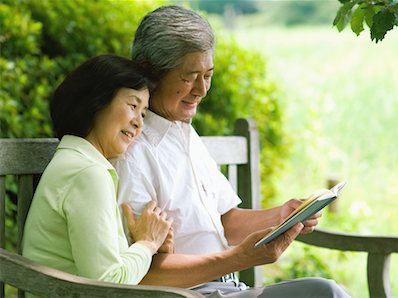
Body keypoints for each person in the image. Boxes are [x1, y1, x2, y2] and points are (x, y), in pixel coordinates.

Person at [113, 5, 350, 297]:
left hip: (229, 288)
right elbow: (140, 274)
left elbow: (225, 222)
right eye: (189, 77)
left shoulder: (183, 133)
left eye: (208, 75)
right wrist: (238, 259)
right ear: (151, 72)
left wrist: (284, 215)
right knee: (323, 292)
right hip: (188, 294)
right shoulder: (132, 153)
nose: (201, 90)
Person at [22, 54, 173, 285]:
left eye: (143, 113)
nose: (139, 123)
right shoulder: (87, 172)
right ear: (97, 101)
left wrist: (147, 246)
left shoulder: (80, 163)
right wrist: (147, 243)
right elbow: (108, 282)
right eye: (133, 105)